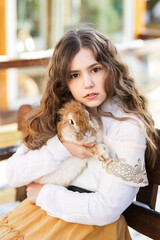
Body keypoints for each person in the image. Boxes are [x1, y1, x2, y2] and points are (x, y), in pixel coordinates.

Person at [0, 28, 158, 240]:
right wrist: (62, 148)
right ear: (64, 80)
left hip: (90, 228)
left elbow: (107, 209)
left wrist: (44, 194)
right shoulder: (59, 110)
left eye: (95, 69)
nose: (87, 84)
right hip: (40, 217)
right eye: (75, 75)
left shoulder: (126, 125)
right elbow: (13, 174)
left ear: (111, 69)